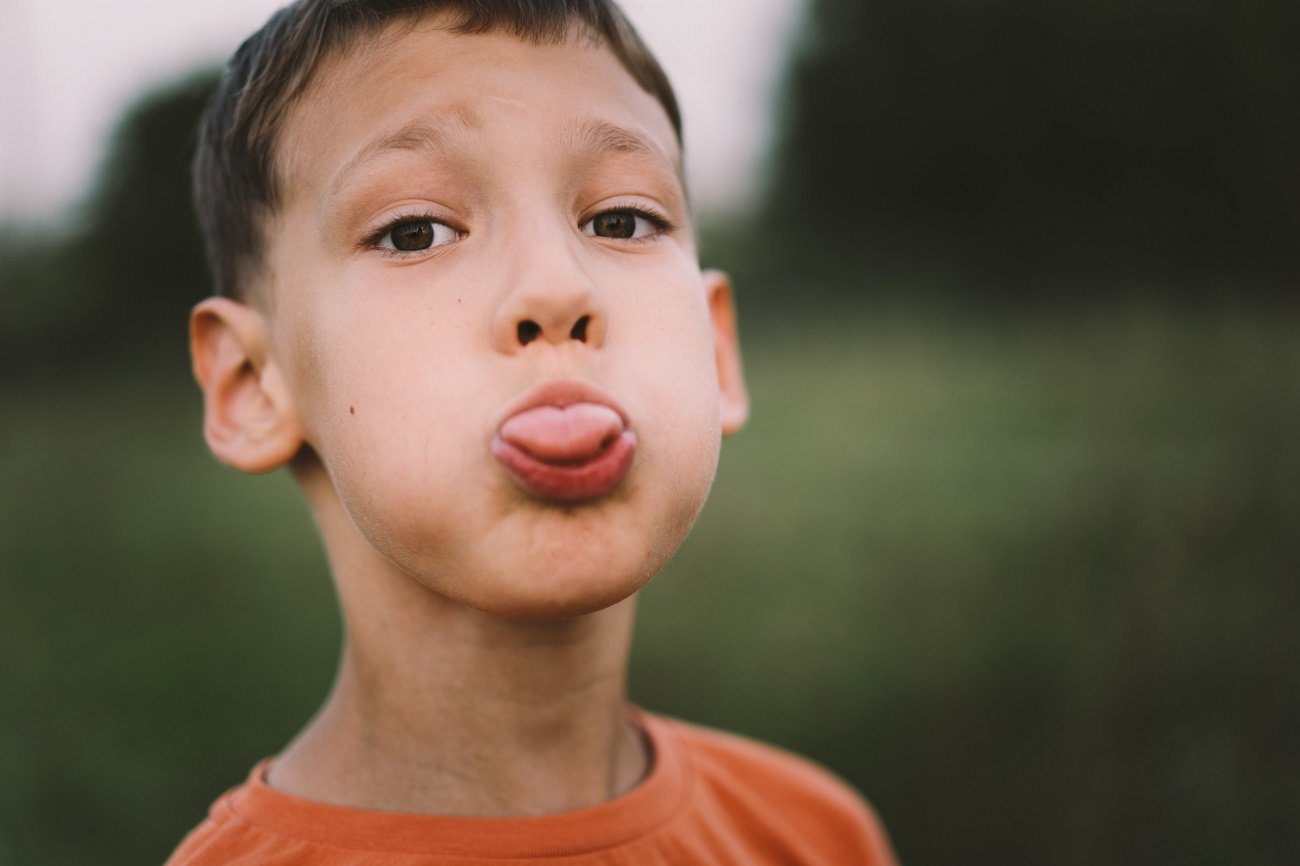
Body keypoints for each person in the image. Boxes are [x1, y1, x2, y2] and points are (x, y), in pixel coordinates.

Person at [166, 1, 897, 863]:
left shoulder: (816, 836)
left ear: (718, 349)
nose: (556, 288)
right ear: (253, 384)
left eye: (620, 220)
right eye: (415, 231)